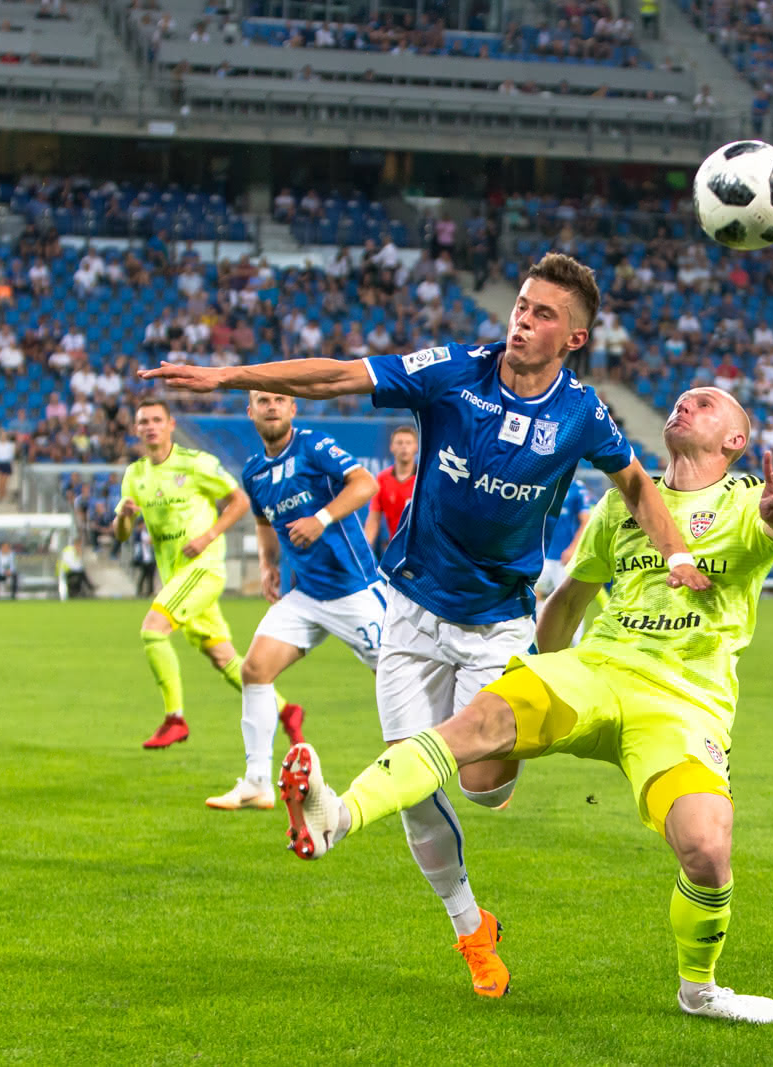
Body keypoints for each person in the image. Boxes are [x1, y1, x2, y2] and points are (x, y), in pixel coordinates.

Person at [142, 252, 706, 1000]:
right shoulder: (453, 372)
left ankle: (413, 792)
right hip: (409, 612)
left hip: (499, 626)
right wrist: (232, 376)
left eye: (542, 315)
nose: (522, 321)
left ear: (573, 338)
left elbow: (635, 480)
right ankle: (471, 928)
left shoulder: (583, 414)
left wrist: (676, 553)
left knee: (482, 786)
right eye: (521, 306)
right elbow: (342, 374)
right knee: (413, 782)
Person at [275, 388, 773, 1024]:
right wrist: (536, 675)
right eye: (681, 400)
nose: (685, 405)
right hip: (596, 670)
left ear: (734, 441)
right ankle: (335, 817)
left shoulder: (749, 500)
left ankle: (699, 990)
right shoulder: (623, 504)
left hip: (684, 702)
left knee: (706, 848)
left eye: (705, 404)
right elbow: (569, 602)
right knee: (476, 729)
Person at [207, 390, 381, 812]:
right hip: (306, 595)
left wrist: (321, 519)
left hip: (354, 590)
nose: (271, 406)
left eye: (279, 400)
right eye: (262, 400)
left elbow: (365, 483)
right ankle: (256, 783)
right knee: (255, 669)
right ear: (250, 412)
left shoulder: (314, 446)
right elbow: (264, 522)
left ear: (292, 409)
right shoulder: (253, 472)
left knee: (406, 672)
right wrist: (269, 565)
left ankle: (472, 751)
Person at [113, 400, 251, 750]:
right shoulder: (135, 474)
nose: (151, 426)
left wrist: (208, 536)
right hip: (176, 576)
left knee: (153, 630)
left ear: (171, 424)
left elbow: (239, 501)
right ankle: (286, 713)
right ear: (136, 429)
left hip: (201, 569)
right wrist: (125, 516)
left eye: (157, 420)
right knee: (224, 658)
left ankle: (175, 718)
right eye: (143, 421)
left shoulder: (195, 464)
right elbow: (121, 534)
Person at [534, 475, 591, 641]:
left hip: (564, 557)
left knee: (569, 602)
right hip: (543, 554)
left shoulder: (577, 488)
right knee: (535, 594)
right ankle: (540, 636)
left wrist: (573, 548)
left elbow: (585, 521)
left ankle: (576, 642)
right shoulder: (545, 483)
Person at [362, 424, 417, 553]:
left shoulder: (424, 479)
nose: (404, 446)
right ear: (391, 447)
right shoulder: (382, 479)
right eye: (399, 443)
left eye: (408, 443)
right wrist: (364, 550)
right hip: (395, 550)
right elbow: (373, 520)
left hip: (422, 550)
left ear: (416, 447)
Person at [0, 432, 18, 503]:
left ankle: (2, 496)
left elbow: (12, 456)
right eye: (2, 436)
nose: (3, 437)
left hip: (6, 463)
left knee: (4, 482)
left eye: (4, 436)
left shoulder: (10, 445)